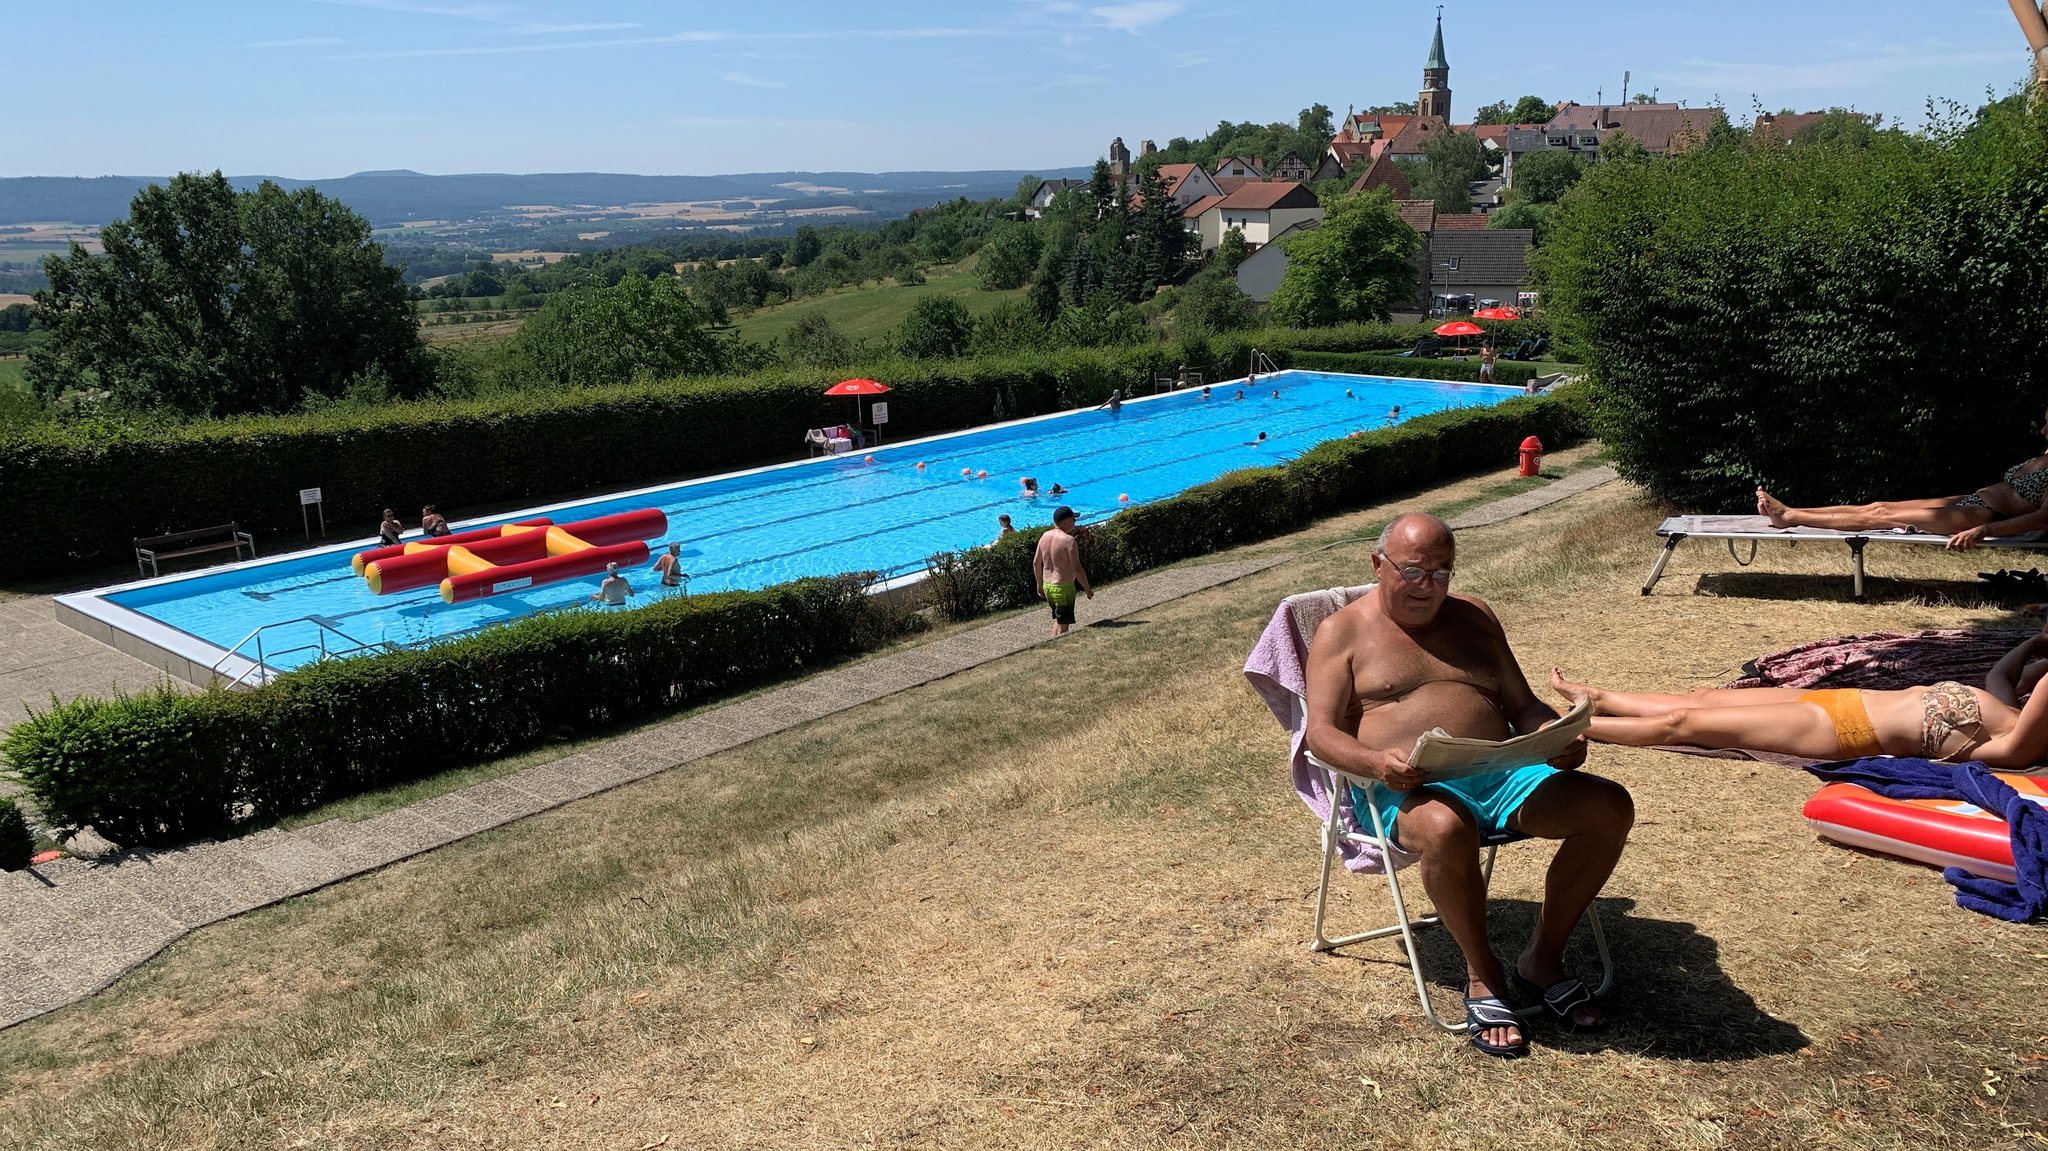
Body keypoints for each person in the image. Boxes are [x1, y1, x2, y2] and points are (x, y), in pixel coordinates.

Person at [1304, 513, 1634, 1057]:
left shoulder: (1475, 615)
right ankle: (1484, 974)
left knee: (1607, 806)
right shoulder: (1342, 631)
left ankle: (1542, 959)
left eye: (1441, 572)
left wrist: (1553, 737)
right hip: (1403, 786)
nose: (1427, 585)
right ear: (1377, 564)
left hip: (1503, 771)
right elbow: (1319, 733)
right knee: (1443, 825)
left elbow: (1523, 706)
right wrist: (1373, 760)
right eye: (1413, 570)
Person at [1550, 637, 2048, 770]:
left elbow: (2013, 753)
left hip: (1846, 732)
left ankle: (1577, 726)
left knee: (1685, 723)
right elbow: (2001, 674)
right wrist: (2035, 644)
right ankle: (1601, 697)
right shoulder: (2006, 706)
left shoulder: (2011, 743)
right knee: (1708, 699)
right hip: (1846, 698)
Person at [1757, 407, 2048, 550]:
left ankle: (1791, 515)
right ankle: (1790, 514)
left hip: (1983, 514)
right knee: (1879, 504)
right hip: (1971, 499)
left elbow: (2042, 518)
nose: (2044, 430)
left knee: (1880, 516)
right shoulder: (2045, 455)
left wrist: (1983, 530)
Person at [1031, 505, 1093, 637]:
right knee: (1063, 624)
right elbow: (1077, 568)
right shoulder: (1068, 540)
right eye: (1073, 520)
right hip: (1063, 588)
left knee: (1060, 620)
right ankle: (1056, 648)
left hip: (1048, 586)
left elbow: (1036, 563)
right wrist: (1087, 588)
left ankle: (1053, 642)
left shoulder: (1045, 536)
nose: (1075, 523)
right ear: (1065, 522)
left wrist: (1039, 584)